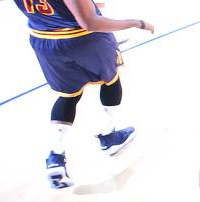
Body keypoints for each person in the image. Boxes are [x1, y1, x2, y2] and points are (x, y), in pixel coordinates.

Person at [12, 0, 154, 188]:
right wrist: (137, 23)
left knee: (68, 95)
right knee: (111, 81)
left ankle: (55, 157)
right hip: (83, 38)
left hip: (44, 41)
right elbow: (90, 23)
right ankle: (109, 136)